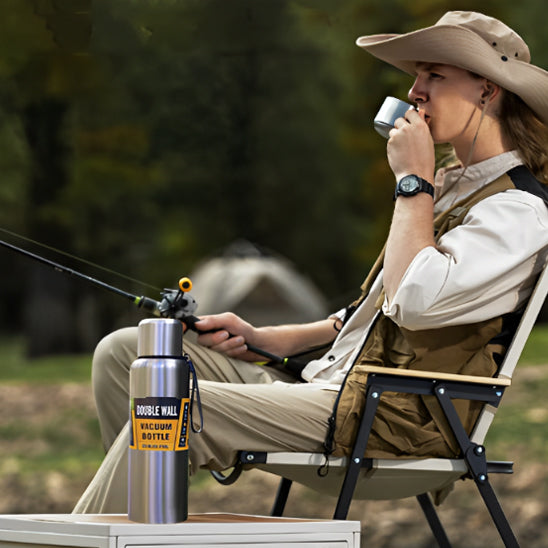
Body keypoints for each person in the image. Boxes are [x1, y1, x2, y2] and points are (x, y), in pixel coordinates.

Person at [73, 11, 548, 513]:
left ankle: (90, 541)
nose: (414, 91)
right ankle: (136, 526)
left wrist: (413, 183)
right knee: (125, 354)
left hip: (384, 422)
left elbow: (414, 302)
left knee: (171, 402)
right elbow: (378, 311)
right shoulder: (453, 186)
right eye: (416, 75)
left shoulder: (516, 211)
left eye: (434, 75)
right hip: (329, 388)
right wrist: (273, 338)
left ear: (487, 91)